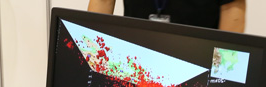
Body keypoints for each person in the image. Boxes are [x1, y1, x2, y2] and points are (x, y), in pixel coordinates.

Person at [88, 0, 246, 33]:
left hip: (198, 62)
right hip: (135, 57)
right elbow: (102, 2)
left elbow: (232, 11)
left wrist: (221, 77)